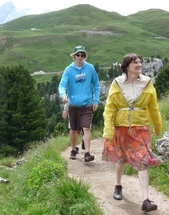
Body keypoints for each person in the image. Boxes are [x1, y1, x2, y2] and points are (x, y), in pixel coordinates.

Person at [102, 53, 162, 212]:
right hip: (121, 127)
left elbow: (153, 107)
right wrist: (108, 128)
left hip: (140, 127)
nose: (139, 64)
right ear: (127, 66)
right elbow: (109, 108)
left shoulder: (147, 82)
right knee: (120, 159)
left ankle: (146, 200)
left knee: (143, 161)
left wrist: (157, 125)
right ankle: (118, 185)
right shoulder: (117, 83)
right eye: (135, 62)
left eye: (140, 62)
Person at [59, 45, 100, 162]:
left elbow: (96, 85)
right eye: (78, 55)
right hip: (73, 104)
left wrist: (95, 100)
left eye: (82, 55)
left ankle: (87, 153)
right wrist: (63, 95)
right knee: (73, 129)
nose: (80, 57)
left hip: (87, 104)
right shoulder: (69, 70)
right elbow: (62, 85)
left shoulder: (90, 68)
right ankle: (73, 149)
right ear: (74, 56)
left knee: (86, 128)